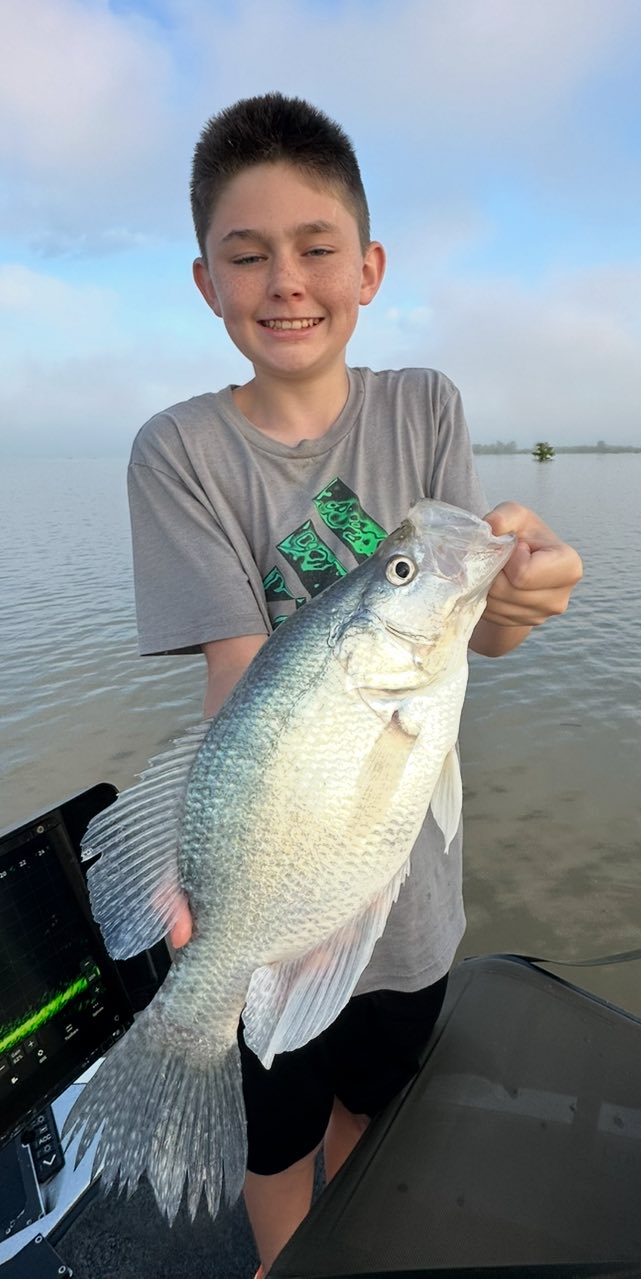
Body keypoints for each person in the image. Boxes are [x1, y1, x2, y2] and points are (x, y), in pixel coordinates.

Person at [127, 93, 582, 1276]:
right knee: (272, 1148)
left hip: (411, 911)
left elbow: (469, 638)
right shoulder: (176, 452)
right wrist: (191, 881)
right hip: (259, 895)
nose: (286, 280)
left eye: (316, 248)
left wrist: (519, 602)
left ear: (367, 267)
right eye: (248, 254)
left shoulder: (423, 404)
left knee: (374, 1118)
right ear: (205, 282)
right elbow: (240, 672)